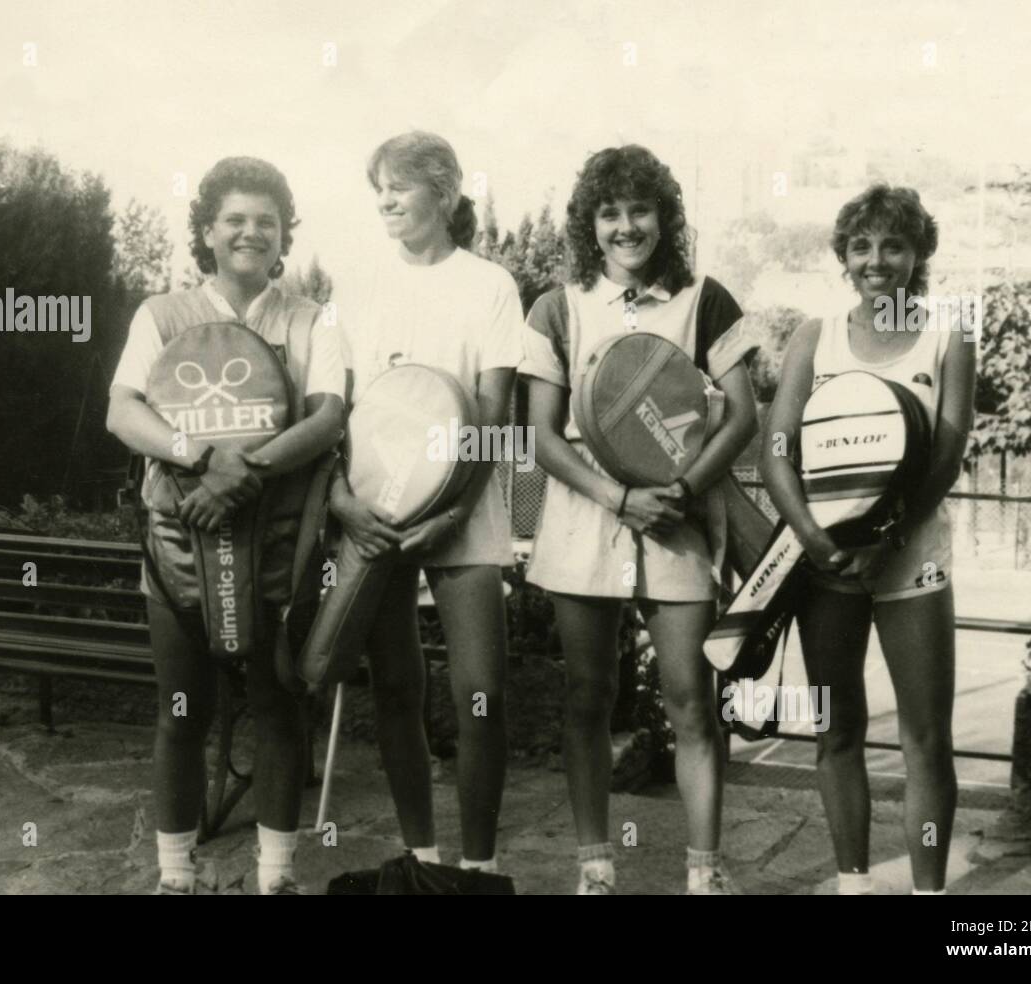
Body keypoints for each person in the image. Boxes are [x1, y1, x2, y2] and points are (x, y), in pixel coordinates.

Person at [520, 145, 759, 894]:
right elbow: (542, 437)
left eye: (641, 209)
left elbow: (743, 416)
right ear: (590, 224)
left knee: (691, 699)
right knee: (588, 695)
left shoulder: (706, 299)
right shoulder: (557, 306)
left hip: (679, 516)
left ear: (666, 216)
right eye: (610, 212)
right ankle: (596, 866)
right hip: (585, 516)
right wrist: (620, 498)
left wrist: (679, 491)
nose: (627, 226)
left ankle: (703, 873)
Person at [107, 157, 346, 894]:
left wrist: (247, 472)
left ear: (284, 237)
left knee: (279, 708)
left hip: (282, 546)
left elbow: (329, 417)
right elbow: (124, 411)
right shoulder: (161, 314)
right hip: (181, 544)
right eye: (235, 220)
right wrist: (200, 457)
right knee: (182, 711)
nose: (251, 233)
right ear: (207, 230)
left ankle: (275, 879)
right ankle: (175, 878)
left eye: (266, 223)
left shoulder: (312, 318)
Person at [760, 184, 975, 894]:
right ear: (843, 256)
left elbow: (942, 462)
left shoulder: (949, 340)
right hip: (824, 567)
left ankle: (927, 895)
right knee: (837, 732)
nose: (876, 260)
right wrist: (813, 539)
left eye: (893, 245)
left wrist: (884, 540)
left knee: (925, 742)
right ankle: (852, 885)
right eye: (861, 245)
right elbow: (776, 453)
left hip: (910, 564)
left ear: (918, 254)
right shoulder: (813, 337)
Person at [328, 131, 524, 873]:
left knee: (482, 697)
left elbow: (496, 416)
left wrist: (452, 511)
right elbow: (338, 408)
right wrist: (345, 502)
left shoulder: (490, 285)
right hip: (376, 520)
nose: (384, 199)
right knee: (397, 690)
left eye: (400, 185)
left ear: (443, 194)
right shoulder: (356, 286)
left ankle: (475, 870)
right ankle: (422, 859)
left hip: (465, 516)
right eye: (378, 186)